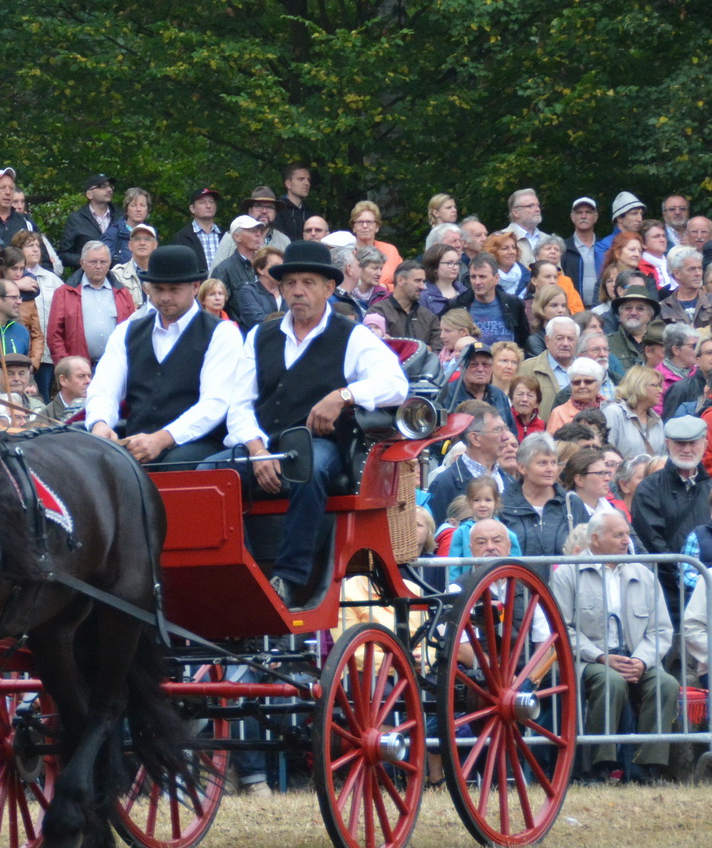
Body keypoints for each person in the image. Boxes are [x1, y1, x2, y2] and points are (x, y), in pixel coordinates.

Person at [207, 240, 408, 606]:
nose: (297, 291)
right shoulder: (259, 336)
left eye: (308, 282)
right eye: (290, 283)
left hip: (318, 445)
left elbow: (396, 385)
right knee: (208, 474)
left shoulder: (353, 336)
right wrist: (256, 450)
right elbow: (238, 404)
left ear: (330, 288)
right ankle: (238, 572)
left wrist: (344, 395)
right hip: (263, 444)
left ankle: (290, 576)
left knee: (307, 466)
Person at [551, 511, 678, 785]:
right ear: (595, 539)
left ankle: (648, 768)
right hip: (588, 661)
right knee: (610, 682)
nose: (626, 540)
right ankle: (601, 766)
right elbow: (562, 629)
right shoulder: (567, 574)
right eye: (618, 535)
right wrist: (600, 657)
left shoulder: (643, 573)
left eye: (627, 534)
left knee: (665, 684)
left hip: (635, 659)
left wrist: (641, 661)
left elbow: (662, 630)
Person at [85, 245, 240, 464]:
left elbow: (215, 403)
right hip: (137, 444)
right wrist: (99, 423)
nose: (165, 296)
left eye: (174, 289)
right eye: (158, 288)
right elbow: (104, 388)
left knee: (177, 462)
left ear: (195, 287)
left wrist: (163, 439)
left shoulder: (222, 333)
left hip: (198, 446)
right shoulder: (126, 332)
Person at [630, 416, 712, 622]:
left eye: (693, 443)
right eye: (679, 443)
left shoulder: (709, 486)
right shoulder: (649, 488)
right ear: (668, 444)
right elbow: (652, 541)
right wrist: (684, 577)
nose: (686, 449)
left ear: (705, 443)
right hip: (666, 591)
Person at [45, 242, 138, 366]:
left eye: (103, 262)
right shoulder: (64, 293)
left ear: (110, 263)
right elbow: (54, 336)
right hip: (77, 369)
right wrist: (66, 366)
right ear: (82, 263)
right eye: (93, 262)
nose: (98, 266)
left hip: (115, 366)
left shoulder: (122, 293)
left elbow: (133, 331)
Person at [498, 432, 584, 556]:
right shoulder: (503, 504)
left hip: (561, 576)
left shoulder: (571, 503)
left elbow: (586, 550)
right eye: (542, 463)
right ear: (522, 468)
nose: (550, 469)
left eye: (553, 462)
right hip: (517, 575)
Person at [425, 401, 504, 518]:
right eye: (498, 430)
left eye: (505, 428)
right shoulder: (445, 484)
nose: (506, 436)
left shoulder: (508, 480)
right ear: (475, 438)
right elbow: (438, 533)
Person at [437, 341, 517, 435]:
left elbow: (512, 433)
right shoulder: (445, 396)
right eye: (474, 364)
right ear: (462, 367)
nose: (480, 369)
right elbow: (437, 440)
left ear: (491, 368)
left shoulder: (499, 395)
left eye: (485, 364)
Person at [601, 366, 666, 460]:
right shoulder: (613, 413)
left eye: (660, 386)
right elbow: (605, 455)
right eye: (655, 385)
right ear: (638, 386)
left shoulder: (657, 420)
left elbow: (662, 457)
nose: (660, 391)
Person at [57, 174, 116, 273]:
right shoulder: (76, 219)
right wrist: (88, 262)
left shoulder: (120, 217)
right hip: (85, 278)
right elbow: (64, 254)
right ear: (89, 194)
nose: (109, 189)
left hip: (117, 278)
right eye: (102, 186)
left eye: (110, 186)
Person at [167, 187, 224, 273]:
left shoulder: (227, 236)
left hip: (224, 286)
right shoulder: (181, 238)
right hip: (196, 285)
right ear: (192, 209)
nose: (208, 206)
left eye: (211, 202)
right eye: (202, 202)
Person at [545, 358, 605, 433]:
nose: (582, 386)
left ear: (599, 385)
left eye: (588, 381)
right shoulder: (558, 414)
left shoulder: (610, 409)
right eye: (577, 382)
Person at [38, 356, 92, 425]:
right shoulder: (45, 416)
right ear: (63, 380)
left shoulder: (99, 409)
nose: (88, 381)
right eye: (81, 376)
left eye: (89, 376)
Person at [419, 243, 462, 319]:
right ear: (434, 266)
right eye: (449, 263)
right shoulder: (423, 295)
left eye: (457, 263)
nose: (455, 267)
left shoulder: (464, 291)